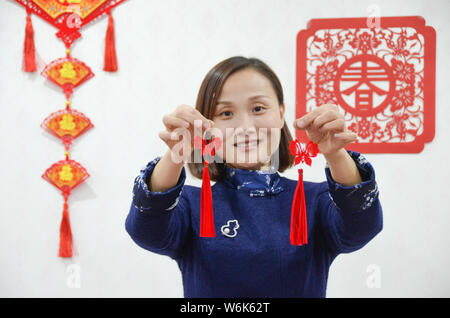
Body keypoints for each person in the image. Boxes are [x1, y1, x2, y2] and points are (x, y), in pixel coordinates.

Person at [125, 56, 383, 297]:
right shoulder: (193, 205)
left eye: (258, 108)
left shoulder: (313, 200)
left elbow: (361, 226)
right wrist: (175, 155)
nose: (245, 127)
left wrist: (336, 154)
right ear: (207, 125)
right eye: (226, 113)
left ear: (281, 113)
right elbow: (147, 229)